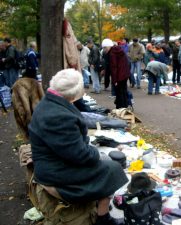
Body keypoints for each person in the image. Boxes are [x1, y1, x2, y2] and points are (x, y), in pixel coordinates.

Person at [28, 69, 128, 225]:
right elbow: (79, 155)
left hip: (52, 164)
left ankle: (101, 212)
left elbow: (69, 146)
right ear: (76, 92)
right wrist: (95, 153)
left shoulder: (49, 103)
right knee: (113, 168)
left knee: (107, 163)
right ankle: (103, 218)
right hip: (55, 172)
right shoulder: (58, 116)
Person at [102, 38, 130, 109]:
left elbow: (114, 67)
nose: (104, 49)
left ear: (108, 46)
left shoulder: (112, 54)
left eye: (104, 48)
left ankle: (120, 107)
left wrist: (114, 81)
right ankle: (125, 106)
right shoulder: (118, 50)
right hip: (124, 74)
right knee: (123, 91)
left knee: (119, 92)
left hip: (119, 75)